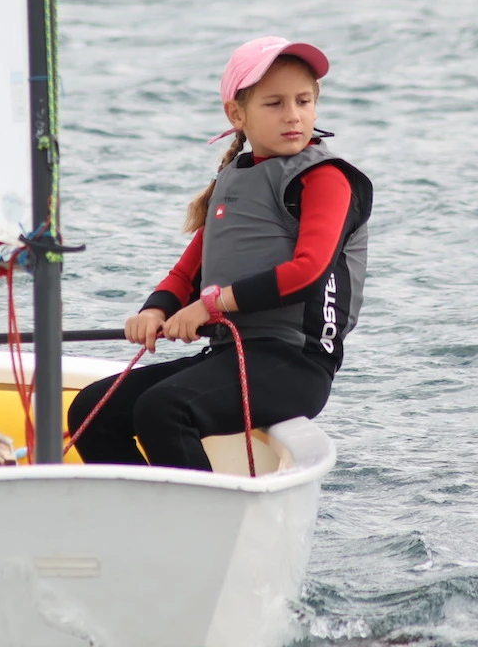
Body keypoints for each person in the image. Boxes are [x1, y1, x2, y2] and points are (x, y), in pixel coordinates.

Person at [66, 36, 373, 471]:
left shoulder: (325, 178)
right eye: (274, 104)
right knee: (92, 410)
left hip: (296, 364)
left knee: (165, 409)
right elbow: (187, 271)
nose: (293, 115)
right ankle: (142, 508)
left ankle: (200, 514)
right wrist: (154, 310)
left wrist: (211, 306)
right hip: (232, 354)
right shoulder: (234, 179)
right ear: (236, 114)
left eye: (303, 101)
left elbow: (309, 272)